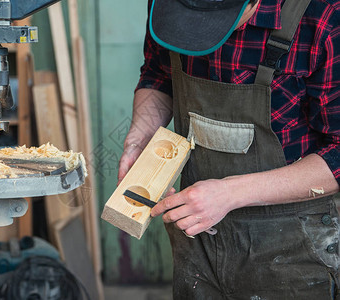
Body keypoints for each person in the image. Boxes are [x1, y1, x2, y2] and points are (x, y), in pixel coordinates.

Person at [117, 0, 340, 298]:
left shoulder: (324, 17)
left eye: (208, 23)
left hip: (291, 244)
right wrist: (138, 139)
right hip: (197, 234)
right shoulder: (167, 6)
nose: (193, 32)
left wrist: (229, 194)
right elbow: (158, 74)